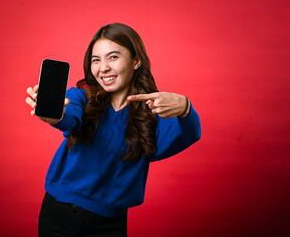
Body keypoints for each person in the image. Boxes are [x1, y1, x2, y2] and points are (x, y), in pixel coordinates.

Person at [26, 23, 201, 237]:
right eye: (96, 60)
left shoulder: (151, 114)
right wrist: (56, 115)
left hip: (108, 224)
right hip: (58, 215)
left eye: (113, 57)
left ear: (136, 61)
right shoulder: (82, 97)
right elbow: (70, 116)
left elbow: (189, 134)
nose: (103, 68)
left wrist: (186, 108)